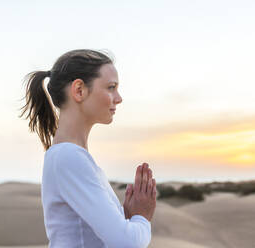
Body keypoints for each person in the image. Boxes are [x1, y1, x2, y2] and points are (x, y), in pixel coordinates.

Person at [19, 49, 156, 247]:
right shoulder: (68, 157)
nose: (118, 98)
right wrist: (142, 218)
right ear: (79, 90)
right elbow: (126, 243)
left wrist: (124, 217)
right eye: (111, 87)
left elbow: (84, 233)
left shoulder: (70, 156)